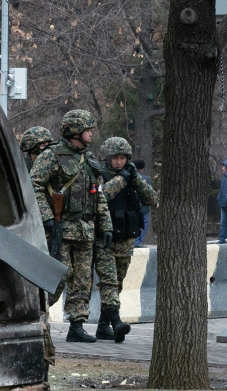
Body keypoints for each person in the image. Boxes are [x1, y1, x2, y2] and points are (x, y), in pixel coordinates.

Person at [30, 109, 112, 343]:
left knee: (84, 279)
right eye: (87, 130)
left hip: (86, 230)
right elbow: (34, 185)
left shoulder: (89, 159)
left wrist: (105, 225)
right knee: (58, 277)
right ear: (75, 131)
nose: (91, 134)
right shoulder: (52, 155)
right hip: (61, 228)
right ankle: (35, 318)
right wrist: (46, 216)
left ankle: (76, 326)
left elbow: (99, 195)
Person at [94, 138, 159, 343]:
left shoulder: (132, 176)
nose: (120, 162)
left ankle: (103, 326)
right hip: (104, 239)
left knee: (117, 284)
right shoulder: (99, 175)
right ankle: (116, 323)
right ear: (107, 158)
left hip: (126, 240)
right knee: (109, 283)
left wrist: (135, 179)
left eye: (123, 158)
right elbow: (102, 195)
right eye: (116, 158)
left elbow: (152, 199)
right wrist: (122, 178)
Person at [132, 159, 153, 248]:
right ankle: (138, 241)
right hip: (143, 206)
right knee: (144, 223)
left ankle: (133, 240)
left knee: (133, 222)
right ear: (142, 168)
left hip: (132, 205)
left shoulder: (130, 177)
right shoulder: (146, 179)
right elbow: (149, 193)